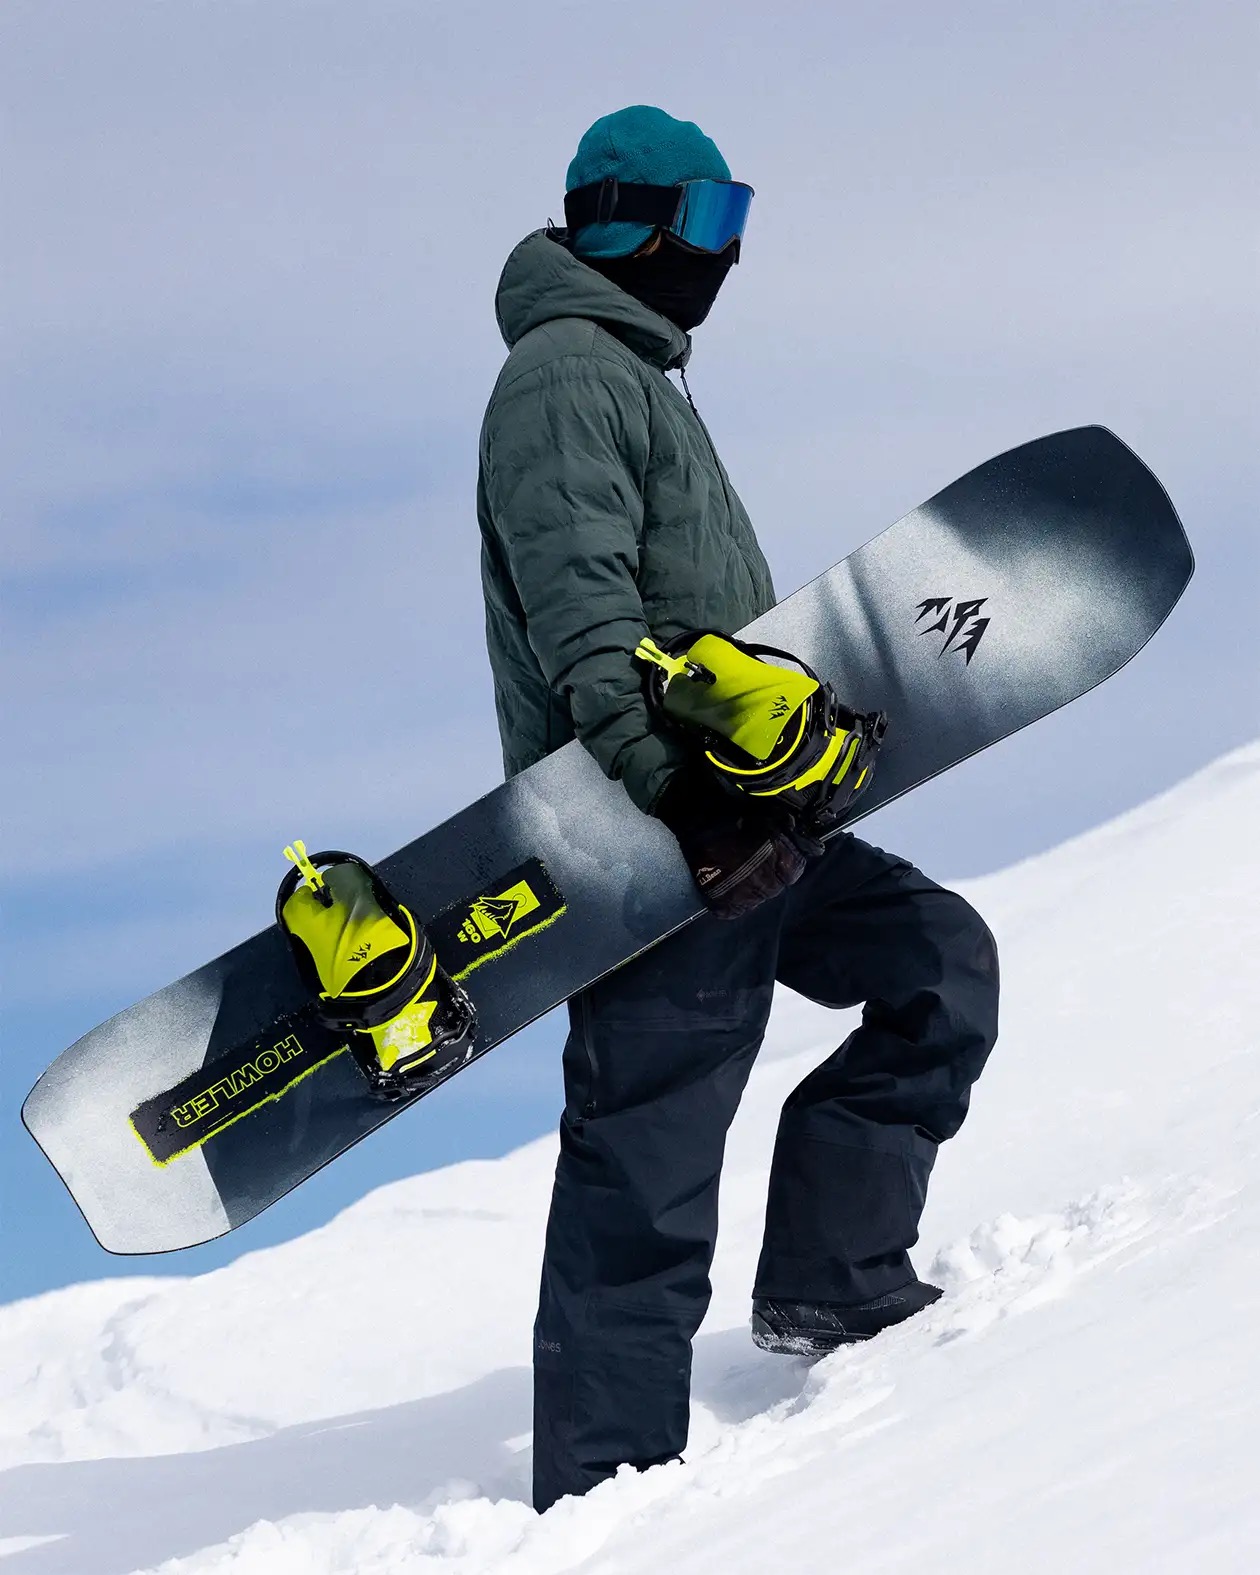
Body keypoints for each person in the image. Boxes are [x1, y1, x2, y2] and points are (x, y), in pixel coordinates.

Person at [475, 105, 999, 1514]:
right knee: (645, 1171)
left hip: (749, 816)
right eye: (708, 224)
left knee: (936, 966)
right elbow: (581, 618)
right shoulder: (567, 379)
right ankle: (605, 1503)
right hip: (655, 848)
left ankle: (832, 1287)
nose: (725, 256)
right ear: (628, 219)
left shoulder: (643, 380)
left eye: (737, 222)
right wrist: (680, 809)